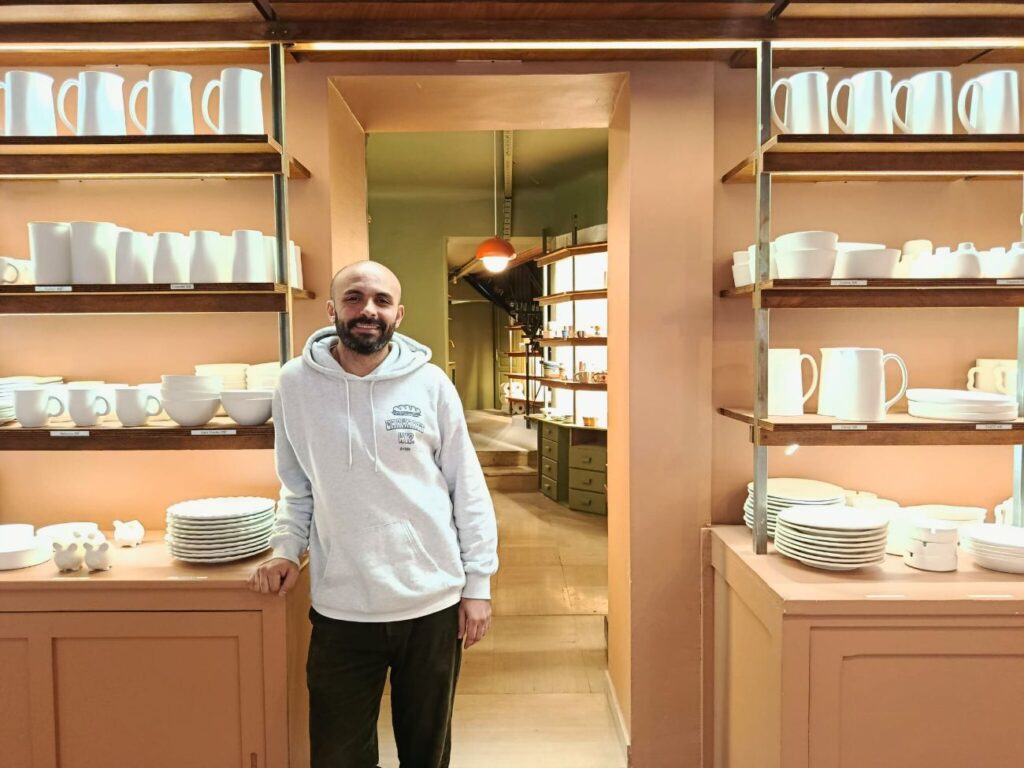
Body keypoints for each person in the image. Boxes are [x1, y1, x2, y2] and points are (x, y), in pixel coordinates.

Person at [249, 260, 499, 768]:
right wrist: (283, 550)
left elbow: (466, 488)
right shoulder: (295, 385)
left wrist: (478, 585)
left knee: (426, 753)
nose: (368, 310)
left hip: (431, 604)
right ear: (332, 309)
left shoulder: (430, 384)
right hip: (343, 608)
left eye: (382, 301)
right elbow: (297, 488)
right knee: (338, 756)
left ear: (399, 314)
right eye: (355, 297)